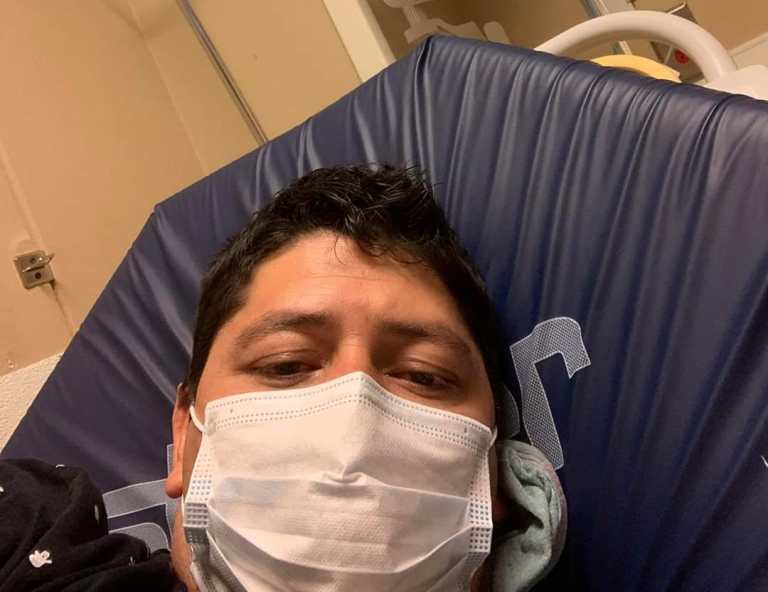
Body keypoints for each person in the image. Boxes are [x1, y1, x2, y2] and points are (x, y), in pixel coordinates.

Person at [0, 165, 564, 591]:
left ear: (493, 478)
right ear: (184, 435)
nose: (352, 426)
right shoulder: (35, 531)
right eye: (286, 364)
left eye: (423, 375)